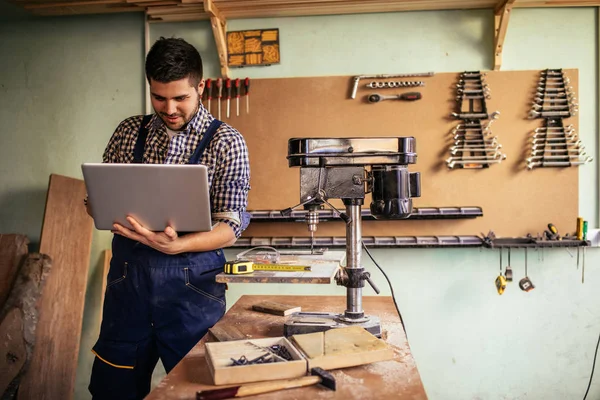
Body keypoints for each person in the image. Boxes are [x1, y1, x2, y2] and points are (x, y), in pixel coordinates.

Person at [88, 37, 251, 399]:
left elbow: (231, 225)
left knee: (202, 389)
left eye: (181, 98)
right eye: (159, 98)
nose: (170, 108)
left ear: (201, 87)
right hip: (128, 285)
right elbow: (101, 199)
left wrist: (180, 246)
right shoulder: (130, 131)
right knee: (113, 388)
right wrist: (99, 204)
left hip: (192, 290)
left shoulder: (226, 142)